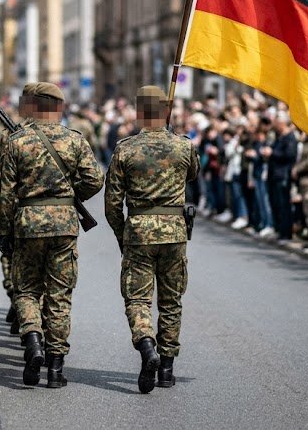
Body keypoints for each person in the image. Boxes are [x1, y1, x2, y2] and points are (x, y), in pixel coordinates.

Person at [0, 82, 103, 388]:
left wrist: (4, 230)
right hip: (64, 225)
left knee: (27, 290)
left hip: (28, 224)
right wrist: (70, 197)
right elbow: (95, 179)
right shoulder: (74, 139)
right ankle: (55, 368)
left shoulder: (16, 141)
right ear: (58, 107)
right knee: (59, 295)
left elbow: (5, 194)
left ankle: (33, 342)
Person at [104, 85, 199, 394]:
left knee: (137, 299)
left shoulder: (125, 149)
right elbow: (193, 174)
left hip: (139, 232)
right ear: (166, 111)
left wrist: (122, 234)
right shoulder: (183, 146)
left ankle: (147, 346)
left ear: (140, 112)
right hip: (174, 232)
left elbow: (112, 203)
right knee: (171, 301)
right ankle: (167, 369)